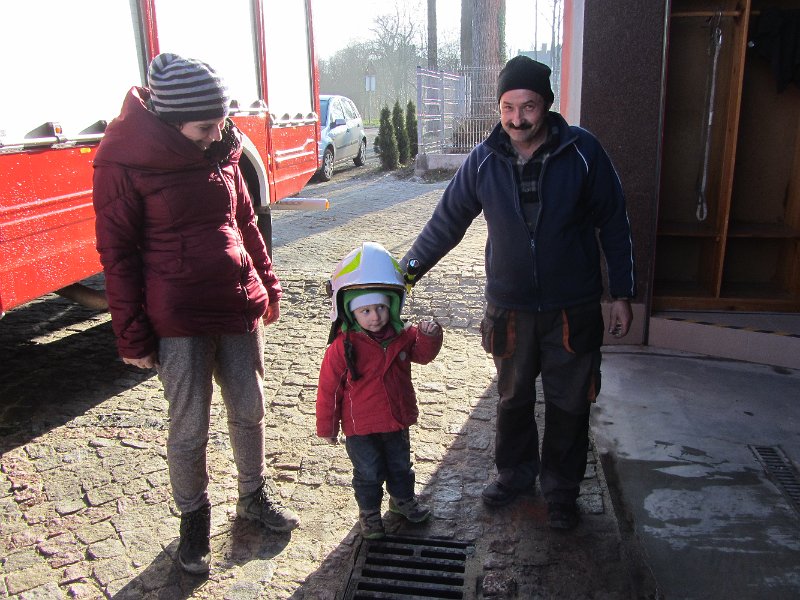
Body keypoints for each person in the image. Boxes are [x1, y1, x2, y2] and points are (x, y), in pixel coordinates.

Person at [401, 55, 635, 531]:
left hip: (573, 308)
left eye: (528, 106)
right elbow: (447, 222)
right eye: (508, 107)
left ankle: (562, 491)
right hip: (509, 308)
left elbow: (615, 222)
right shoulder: (484, 160)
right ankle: (514, 475)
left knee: (570, 403)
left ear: (546, 104)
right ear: (499, 108)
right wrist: (404, 274)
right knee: (512, 398)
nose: (517, 118)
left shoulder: (583, 151)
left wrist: (622, 294)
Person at [92, 53, 300, 575]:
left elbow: (245, 222)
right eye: (205, 126)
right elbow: (118, 256)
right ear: (171, 120)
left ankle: (253, 496)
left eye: (221, 122)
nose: (216, 134)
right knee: (190, 427)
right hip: (179, 318)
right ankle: (194, 521)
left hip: (236, 303)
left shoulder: (223, 147)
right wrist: (132, 336)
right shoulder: (124, 161)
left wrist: (268, 283)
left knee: (249, 407)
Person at [316, 242, 443, 539]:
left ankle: (402, 500)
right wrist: (327, 426)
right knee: (368, 472)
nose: (375, 316)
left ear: (393, 306)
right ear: (351, 312)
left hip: (395, 420)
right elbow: (329, 390)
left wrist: (429, 336)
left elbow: (422, 354)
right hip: (360, 428)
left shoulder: (403, 336)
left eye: (381, 308)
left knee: (400, 465)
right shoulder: (343, 347)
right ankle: (370, 512)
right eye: (366, 310)